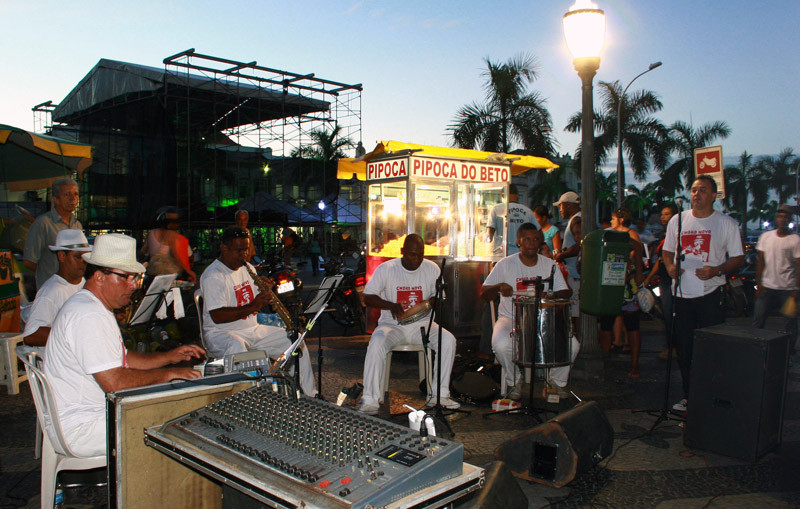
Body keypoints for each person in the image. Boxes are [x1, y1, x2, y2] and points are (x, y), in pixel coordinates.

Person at [44, 233, 203, 457]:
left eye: (135, 277)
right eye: (125, 277)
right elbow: (114, 382)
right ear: (99, 276)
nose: (132, 285)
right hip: (84, 427)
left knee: (174, 406)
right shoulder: (87, 314)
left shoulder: (94, 306)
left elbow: (123, 357)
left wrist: (169, 358)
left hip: (93, 414)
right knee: (180, 420)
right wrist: (169, 375)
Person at [200, 226, 316, 396]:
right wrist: (254, 306)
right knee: (237, 345)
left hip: (252, 329)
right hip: (221, 333)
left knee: (295, 340)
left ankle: (308, 394)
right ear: (224, 248)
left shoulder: (248, 268)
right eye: (239, 250)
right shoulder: (214, 275)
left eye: (246, 250)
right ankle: (244, 399)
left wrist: (265, 291)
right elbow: (217, 316)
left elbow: (254, 301)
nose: (244, 256)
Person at [663, 175, 744, 413]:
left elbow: (738, 258)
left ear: (714, 195)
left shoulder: (726, 223)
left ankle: (712, 396)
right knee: (685, 349)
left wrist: (717, 269)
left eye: (704, 190)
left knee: (710, 349)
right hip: (682, 294)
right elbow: (668, 251)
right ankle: (690, 396)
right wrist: (669, 267)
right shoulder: (678, 221)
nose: (697, 194)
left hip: (710, 294)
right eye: (694, 190)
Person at [357, 234, 458, 414]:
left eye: (420, 254)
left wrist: (433, 301)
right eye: (412, 254)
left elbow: (440, 297)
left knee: (448, 340)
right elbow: (368, 297)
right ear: (402, 252)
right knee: (377, 342)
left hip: (423, 324)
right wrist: (391, 305)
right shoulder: (387, 269)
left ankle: (439, 395)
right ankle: (370, 398)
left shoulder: (432, 268)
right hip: (392, 325)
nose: (417, 259)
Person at [481, 224, 571, 398]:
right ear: (519, 241)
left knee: (572, 345)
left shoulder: (550, 265)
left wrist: (550, 294)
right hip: (510, 318)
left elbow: (567, 292)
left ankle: (555, 383)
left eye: (536, 239)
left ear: (540, 242)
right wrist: (499, 286)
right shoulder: (505, 264)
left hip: (542, 319)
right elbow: (484, 293)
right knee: (500, 344)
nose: (531, 243)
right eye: (527, 239)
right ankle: (514, 381)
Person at [22, 229, 93, 349]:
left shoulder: (84, 283)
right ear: (61, 256)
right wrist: (75, 334)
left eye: (85, 258)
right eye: (77, 257)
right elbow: (31, 335)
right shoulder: (51, 291)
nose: (82, 262)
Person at [599, 208, 645, 378]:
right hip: (611, 283)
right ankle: (605, 360)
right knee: (606, 323)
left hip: (627, 284)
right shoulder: (609, 234)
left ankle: (634, 364)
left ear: (620, 219)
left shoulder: (630, 234)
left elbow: (638, 251)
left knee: (632, 324)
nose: (611, 221)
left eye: (613, 218)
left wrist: (639, 273)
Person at [753, 204, 800, 363]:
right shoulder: (766, 237)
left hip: (787, 289)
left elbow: (799, 265)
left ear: (789, 220)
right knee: (758, 319)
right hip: (767, 287)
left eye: (786, 217)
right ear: (776, 218)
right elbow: (760, 261)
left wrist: (796, 289)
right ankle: (755, 350)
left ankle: (789, 352)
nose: (782, 219)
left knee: (790, 323)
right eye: (780, 216)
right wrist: (758, 283)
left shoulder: (795, 240)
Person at [23, 178, 83, 289]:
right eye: (67, 195)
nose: (73, 198)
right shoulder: (43, 223)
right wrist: (48, 275)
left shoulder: (77, 225)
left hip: (73, 289)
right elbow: (28, 261)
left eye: (76, 194)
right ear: (56, 199)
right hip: (51, 290)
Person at [642, 203, 679, 360]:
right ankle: (671, 346)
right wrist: (649, 277)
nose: (663, 217)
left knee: (672, 315)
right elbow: (659, 260)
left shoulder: (679, 234)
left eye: (667, 214)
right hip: (664, 279)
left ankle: (675, 347)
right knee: (667, 315)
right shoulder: (665, 235)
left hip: (674, 279)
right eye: (662, 214)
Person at [139, 207, 196, 282]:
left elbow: (142, 253)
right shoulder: (171, 235)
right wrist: (187, 271)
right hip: (167, 271)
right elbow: (176, 256)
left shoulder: (151, 233)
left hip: (152, 270)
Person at [553, 191, 582, 336]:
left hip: (574, 274)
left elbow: (579, 245)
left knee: (575, 312)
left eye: (561, 206)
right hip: (573, 272)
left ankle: (576, 342)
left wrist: (561, 255)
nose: (560, 210)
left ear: (568, 205)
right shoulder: (576, 219)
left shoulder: (577, 221)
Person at [488, 184, 537, 256]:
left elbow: (490, 235)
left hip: (500, 254)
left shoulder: (496, 209)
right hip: (521, 255)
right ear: (517, 195)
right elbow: (538, 233)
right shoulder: (528, 211)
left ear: (502, 195)